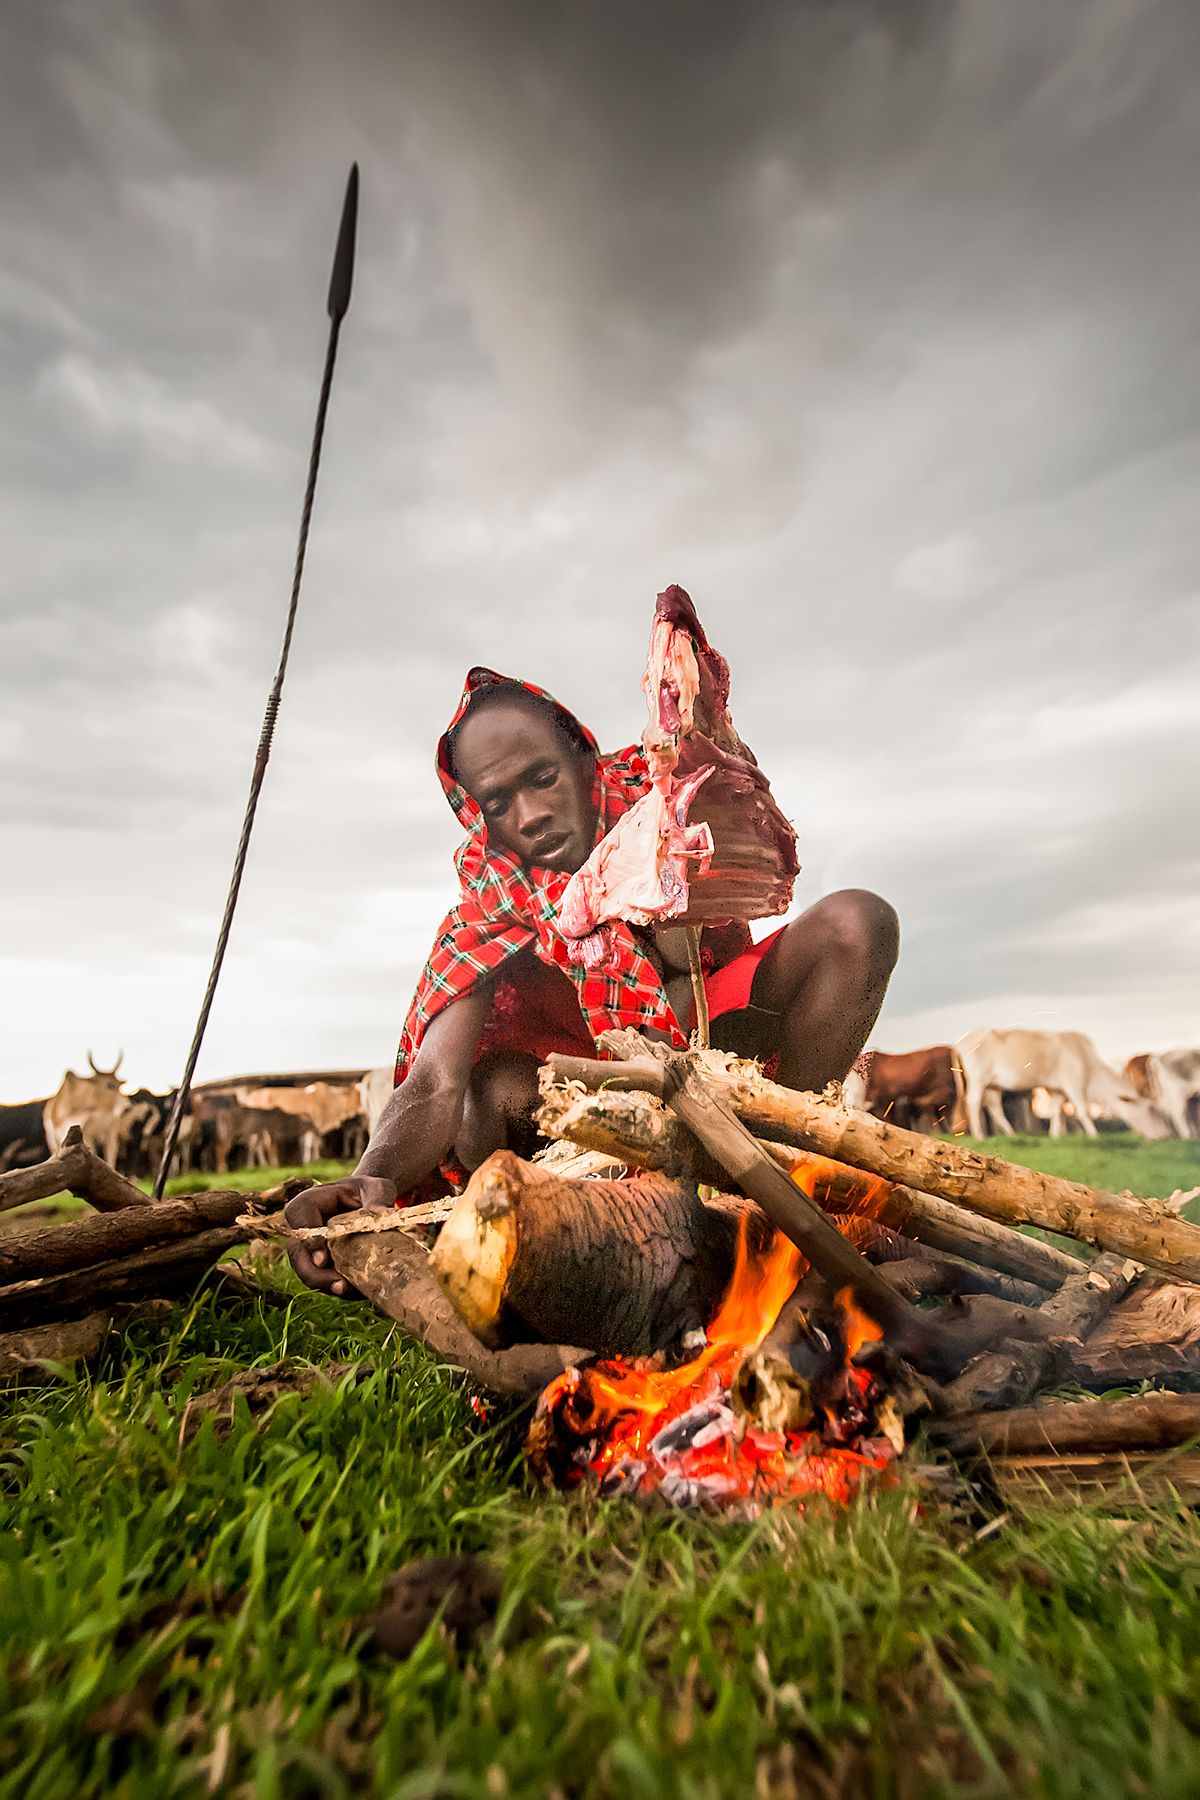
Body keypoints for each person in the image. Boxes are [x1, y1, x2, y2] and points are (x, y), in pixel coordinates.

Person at [287, 666, 899, 1297]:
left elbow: (736, 829)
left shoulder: (668, 812)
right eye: (498, 802)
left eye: (543, 779)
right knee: (486, 1092)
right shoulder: (491, 901)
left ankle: (775, 1184)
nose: (530, 816)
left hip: (718, 1071)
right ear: (478, 814)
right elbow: (435, 1081)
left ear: (582, 760)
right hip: (574, 1129)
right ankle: (540, 1250)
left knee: (858, 922)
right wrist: (369, 1177)